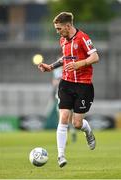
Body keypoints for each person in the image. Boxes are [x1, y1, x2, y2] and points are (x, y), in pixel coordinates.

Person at [38, 12, 99, 168]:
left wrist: (79, 64)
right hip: (66, 83)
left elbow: (95, 57)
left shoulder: (83, 38)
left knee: (77, 123)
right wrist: (50, 67)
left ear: (68, 26)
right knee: (63, 116)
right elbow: (65, 59)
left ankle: (88, 132)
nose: (58, 31)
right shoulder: (63, 40)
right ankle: (61, 155)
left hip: (84, 85)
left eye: (59, 28)